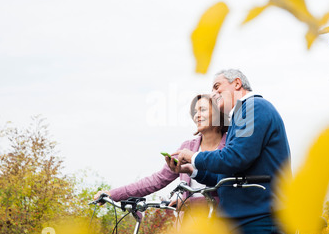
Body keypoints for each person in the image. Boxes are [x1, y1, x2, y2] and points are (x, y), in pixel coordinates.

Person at [169, 69, 292, 234]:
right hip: (245, 223)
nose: (213, 94)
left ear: (236, 83)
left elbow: (235, 157)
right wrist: (192, 170)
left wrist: (193, 156)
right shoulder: (241, 115)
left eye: (217, 87)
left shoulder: (253, 107)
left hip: (260, 222)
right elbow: (228, 173)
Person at [93, 94, 228, 221]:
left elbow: (225, 186)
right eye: (195, 112)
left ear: (217, 114)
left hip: (222, 224)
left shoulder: (230, 146)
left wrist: (187, 202)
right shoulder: (187, 147)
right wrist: (113, 194)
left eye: (202, 110)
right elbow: (157, 180)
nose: (197, 115)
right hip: (190, 226)